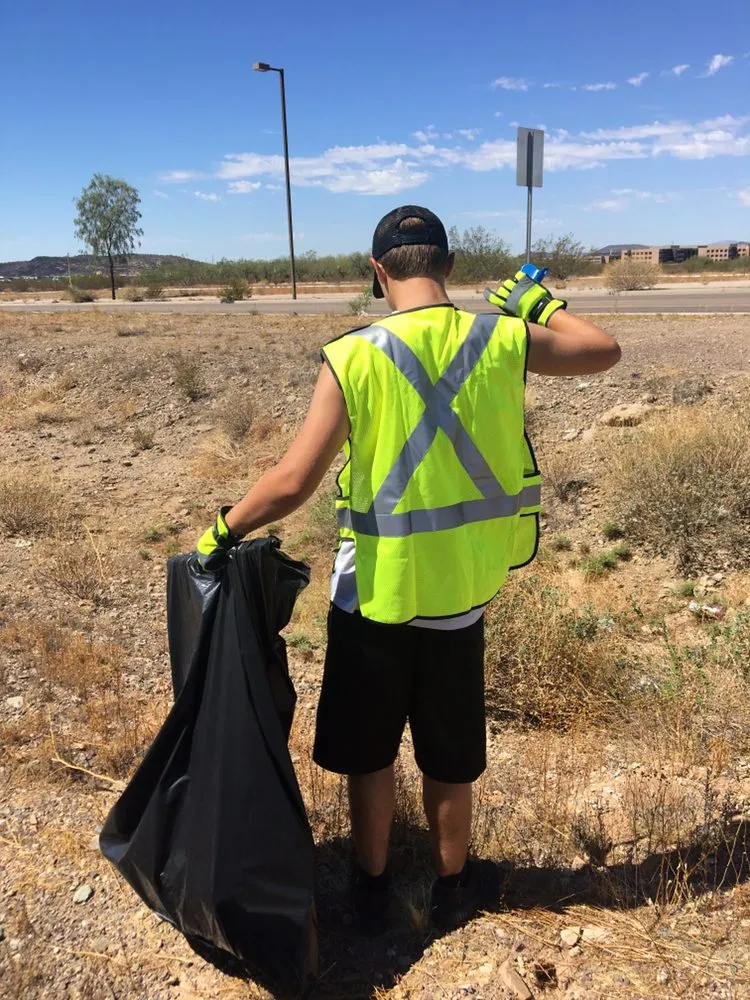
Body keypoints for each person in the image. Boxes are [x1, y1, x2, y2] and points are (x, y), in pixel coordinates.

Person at [196, 205, 621, 934]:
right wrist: (537, 303)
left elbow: (294, 480)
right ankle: (454, 886)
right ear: (449, 266)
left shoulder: (353, 355)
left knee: (370, 754)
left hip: (373, 597)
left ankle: (371, 887)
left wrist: (220, 530)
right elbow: (602, 350)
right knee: (449, 754)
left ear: (378, 272)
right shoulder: (500, 338)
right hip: (460, 594)